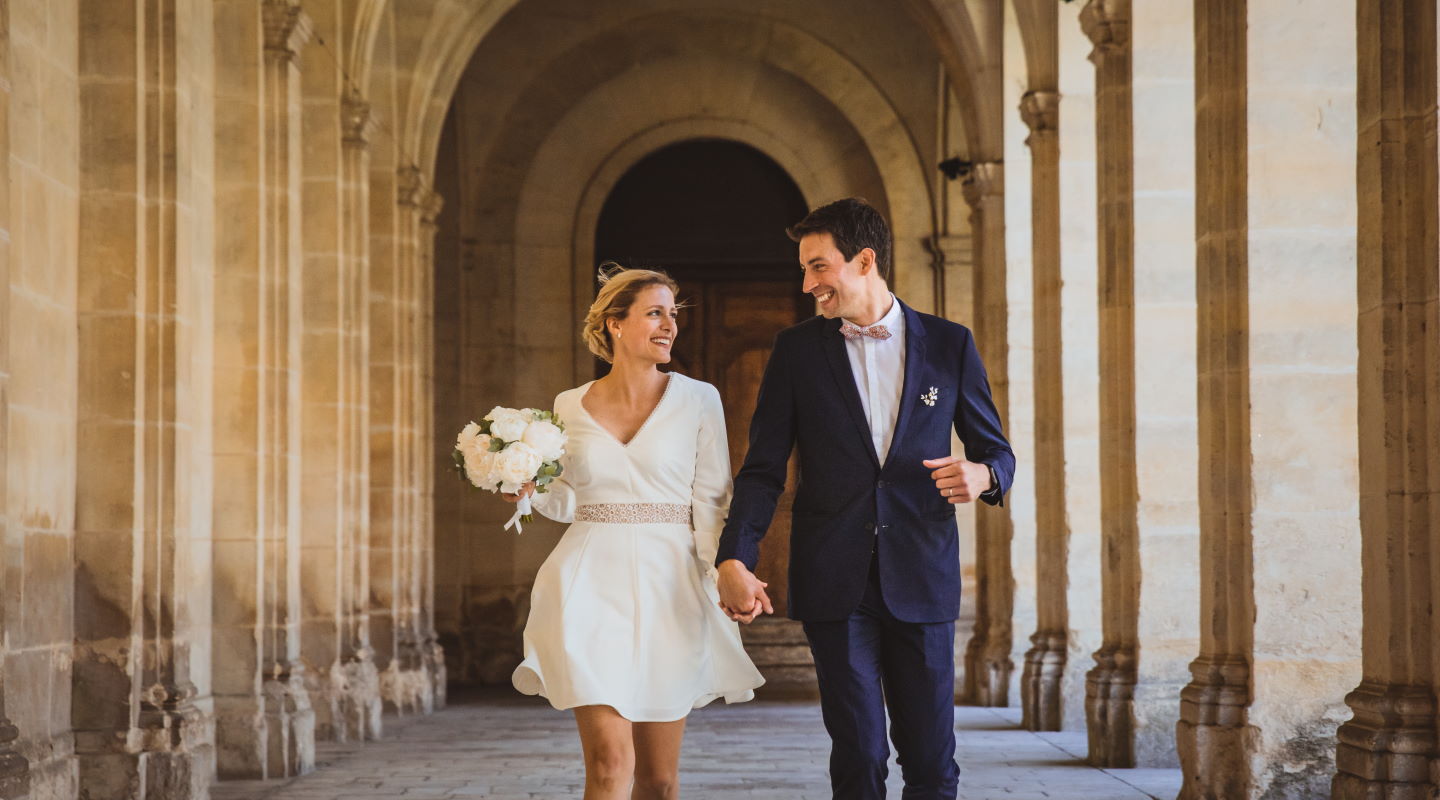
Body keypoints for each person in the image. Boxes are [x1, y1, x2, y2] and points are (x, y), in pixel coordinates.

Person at [714, 198, 1015, 799]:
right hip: (834, 578)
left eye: (818, 267)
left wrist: (983, 477)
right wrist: (735, 557)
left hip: (923, 575)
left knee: (932, 764)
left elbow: (997, 451)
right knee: (860, 755)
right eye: (804, 270)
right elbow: (762, 469)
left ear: (865, 260)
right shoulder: (796, 352)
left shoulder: (950, 345)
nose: (808, 285)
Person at [503, 265, 764, 800]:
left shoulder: (699, 399)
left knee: (658, 780)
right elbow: (568, 501)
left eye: (673, 314)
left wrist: (724, 572)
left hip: (671, 588)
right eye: (655, 313)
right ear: (614, 324)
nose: (669, 324)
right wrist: (526, 489)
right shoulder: (567, 406)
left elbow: (714, 500)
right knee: (607, 764)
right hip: (587, 586)